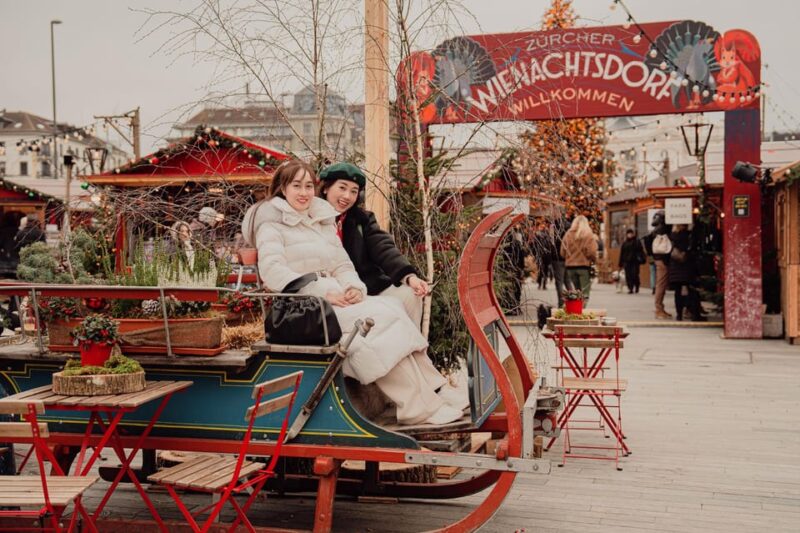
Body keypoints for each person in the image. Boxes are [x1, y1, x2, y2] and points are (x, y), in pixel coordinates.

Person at [241, 159, 464, 425]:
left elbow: (341, 263)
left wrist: (354, 288)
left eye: (308, 186)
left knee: (391, 308)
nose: (304, 193)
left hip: (332, 303)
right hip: (301, 309)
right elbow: (273, 272)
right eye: (296, 186)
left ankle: (431, 392)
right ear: (282, 188)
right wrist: (323, 292)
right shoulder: (272, 224)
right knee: (371, 328)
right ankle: (417, 407)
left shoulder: (319, 219)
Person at [317, 162, 426, 326]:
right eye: (342, 188)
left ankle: (413, 348)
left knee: (409, 294)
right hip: (335, 291)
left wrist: (409, 277)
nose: (347, 196)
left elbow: (384, 248)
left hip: (369, 287)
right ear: (326, 188)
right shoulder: (311, 219)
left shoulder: (361, 220)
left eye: (354, 191)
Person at [668, 225, 705, 321]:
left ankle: (679, 315)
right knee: (691, 290)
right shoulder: (688, 236)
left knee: (678, 292)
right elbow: (691, 249)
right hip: (687, 267)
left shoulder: (672, 236)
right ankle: (694, 313)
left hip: (675, 267)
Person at [560, 215, 598, 303]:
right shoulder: (588, 234)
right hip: (584, 267)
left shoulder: (568, 234)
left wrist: (569, 257)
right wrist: (592, 259)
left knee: (576, 291)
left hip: (570, 267)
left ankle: (577, 310)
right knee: (585, 292)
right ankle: (581, 311)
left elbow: (562, 252)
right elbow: (592, 252)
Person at [646, 211, 673, 319]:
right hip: (663, 259)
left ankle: (660, 308)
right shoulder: (664, 229)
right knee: (661, 284)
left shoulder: (654, 231)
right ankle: (658, 309)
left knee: (660, 283)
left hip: (658, 259)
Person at [618, 229, 643, 294]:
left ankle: (637, 285)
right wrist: (620, 263)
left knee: (635, 275)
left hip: (635, 262)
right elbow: (622, 253)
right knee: (628, 276)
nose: (630, 235)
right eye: (628, 234)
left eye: (631, 233)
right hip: (627, 262)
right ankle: (630, 288)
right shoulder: (625, 243)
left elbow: (640, 251)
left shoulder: (636, 242)